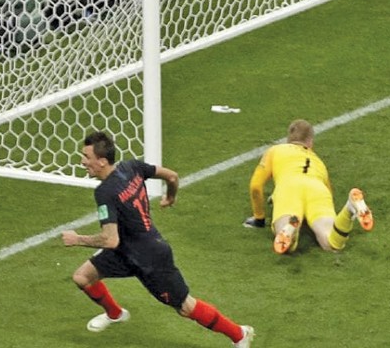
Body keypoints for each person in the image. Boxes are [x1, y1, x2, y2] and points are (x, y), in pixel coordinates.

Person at [61, 131, 254, 347]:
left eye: (87, 157)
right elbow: (171, 176)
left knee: (185, 307)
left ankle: (239, 334)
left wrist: (77, 239)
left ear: (103, 161)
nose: (83, 161)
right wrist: (171, 196)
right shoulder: (131, 167)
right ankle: (115, 314)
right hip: (126, 250)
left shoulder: (105, 192)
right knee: (82, 277)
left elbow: (109, 240)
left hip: (150, 259)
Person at [243, 119, 374, 255]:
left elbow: (255, 186)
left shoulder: (275, 150)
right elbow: (329, 192)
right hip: (318, 190)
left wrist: (259, 218)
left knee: (284, 243)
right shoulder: (319, 162)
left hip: (289, 188)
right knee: (332, 243)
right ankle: (349, 208)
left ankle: (290, 228)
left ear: (288, 138)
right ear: (310, 142)